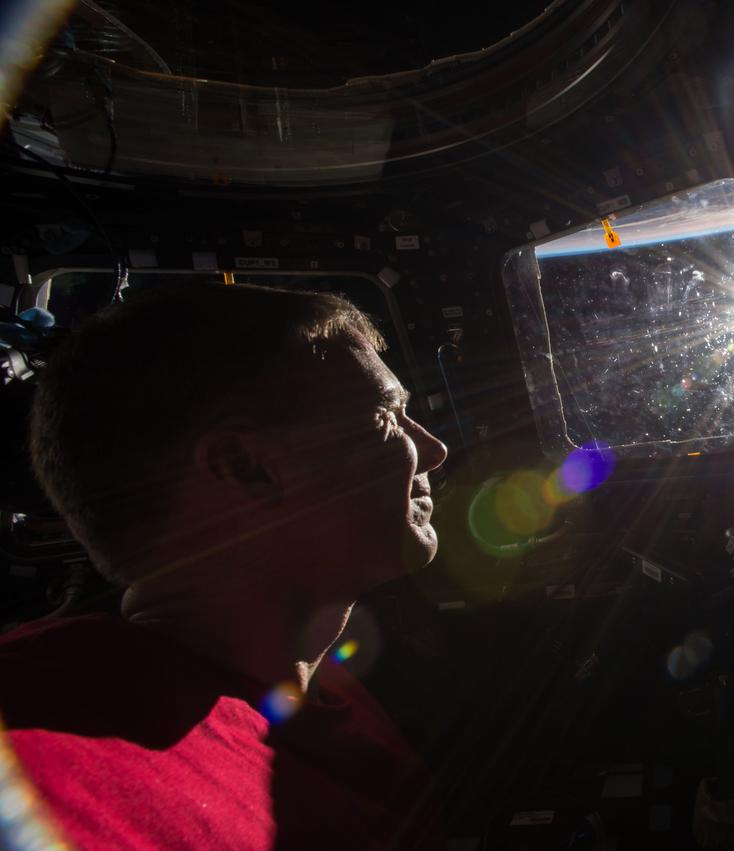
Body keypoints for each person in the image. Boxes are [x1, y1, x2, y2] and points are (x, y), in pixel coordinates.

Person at [0, 283, 448, 849]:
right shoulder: (40, 763)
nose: (433, 450)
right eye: (389, 415)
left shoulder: (316, 693)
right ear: (244, 467)